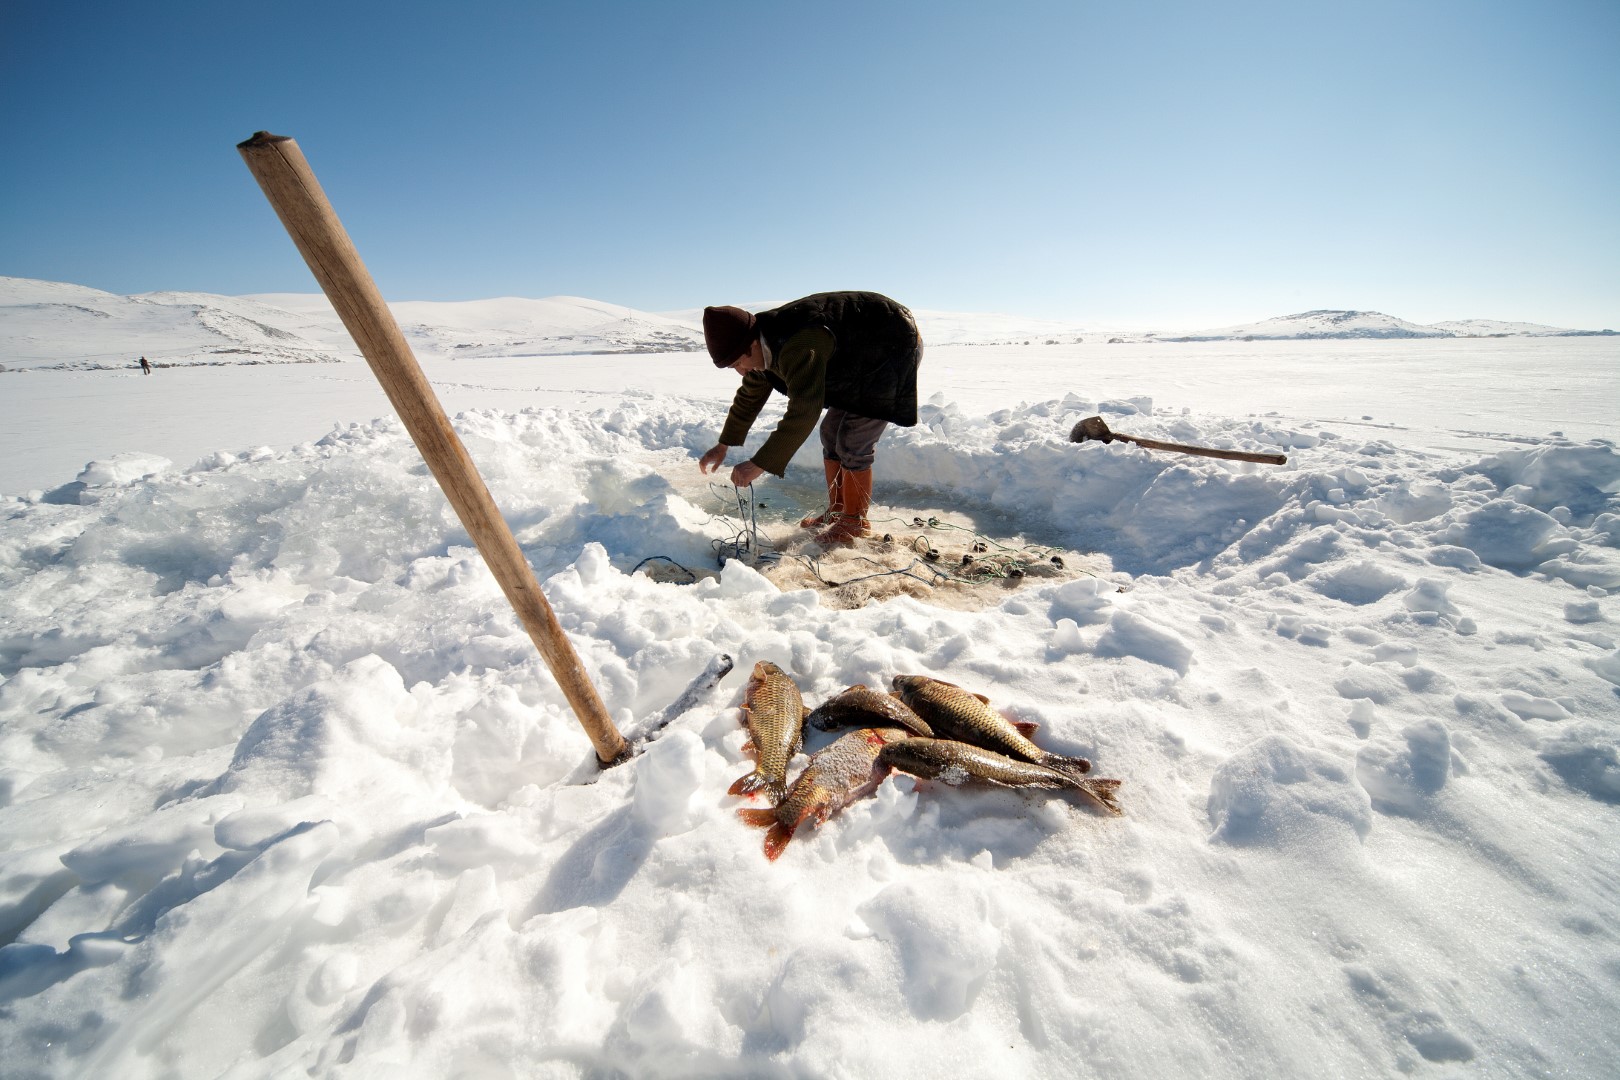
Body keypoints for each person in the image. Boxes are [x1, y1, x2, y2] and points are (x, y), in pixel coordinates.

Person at [698, 291, 923, 545]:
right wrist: (724, 443)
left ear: (750, 346)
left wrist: (759, 464)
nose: (741, 372)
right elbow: (749, 396)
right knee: (830, 432)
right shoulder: (762, 345)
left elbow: (804, 409)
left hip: (892, 346)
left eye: (739, 363)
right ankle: (838, 510)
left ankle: (854, 522)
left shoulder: (797, 344)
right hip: (858, 358)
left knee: (853, 439)